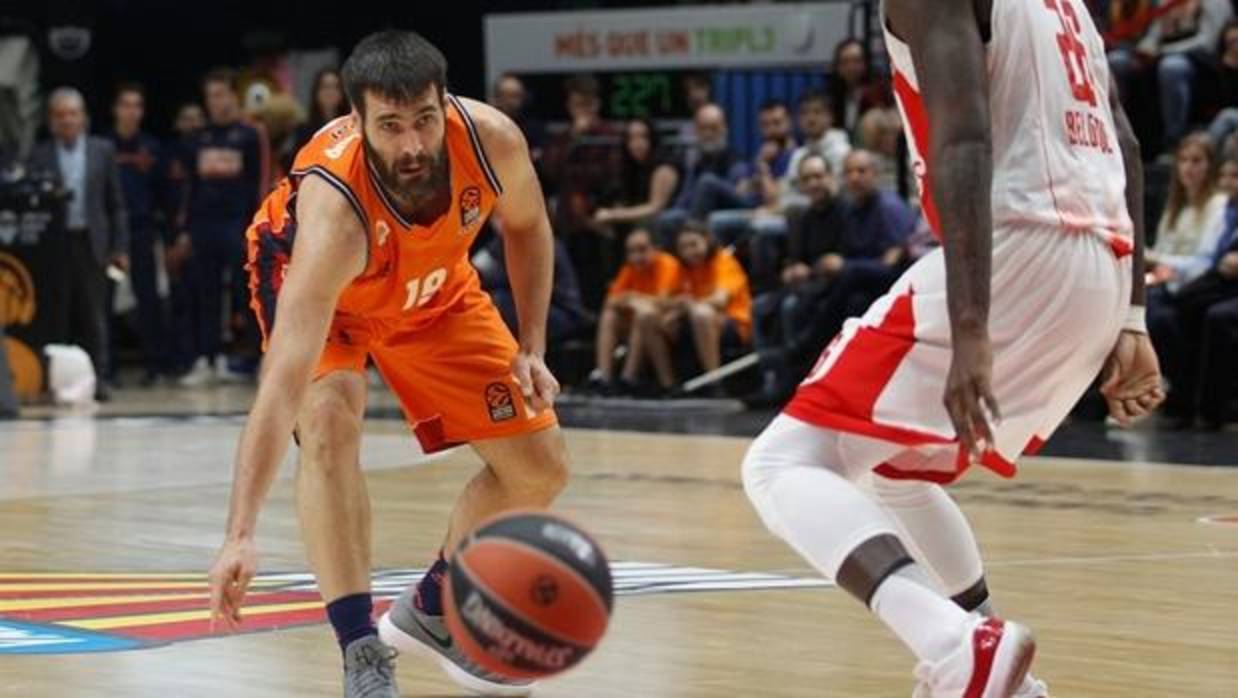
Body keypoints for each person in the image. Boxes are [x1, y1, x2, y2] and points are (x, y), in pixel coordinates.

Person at [742, 1, 1162, 696]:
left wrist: (972, 329)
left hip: (1017, 247)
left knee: (783, 462)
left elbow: (964, 139)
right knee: (901, 469)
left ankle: (954, 644)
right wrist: (1134, 312)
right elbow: (1129, 146)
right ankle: (997, 662)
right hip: (1103, 259)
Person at [207, 31, 566, 698]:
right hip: (332, 296)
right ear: (356, 120)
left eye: (425, 120)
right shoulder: (334, 220)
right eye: (391, 126)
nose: (411, 145)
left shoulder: (491, 142)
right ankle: (360, 649)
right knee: (328, 424)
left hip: (435, 287)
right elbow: (281, 386)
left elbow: (527, 225)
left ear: (446, 104)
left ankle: (433, 607)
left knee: (540, 468)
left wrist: (533, 344)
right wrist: (241, 533)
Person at [26, 87, 129, 402]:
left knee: (94, 316)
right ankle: (54, 381)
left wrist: (119, 248)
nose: (67, 120)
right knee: (54, 315)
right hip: (53, 246)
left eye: (73, 114)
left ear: (83, 117)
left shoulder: (102, 150)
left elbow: (115, 205)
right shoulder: (38, 153)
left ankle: (99, 379)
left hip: (91, 242)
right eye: (60, 115)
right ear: (51, 120)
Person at [174, 68, 264, 386]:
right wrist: (185, 228)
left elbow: (258, 183)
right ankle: (208, 358)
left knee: (246, 293)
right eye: (211, 96)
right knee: (206, 293)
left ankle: (254, 358)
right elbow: (190, 188)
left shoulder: (249, 136)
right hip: (204, 226)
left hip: (236, 224)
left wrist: (254, 225)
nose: (217, 102)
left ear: (232, 97)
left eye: (222, 94)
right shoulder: (196, 139)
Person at [1151, 155, 1238, 429]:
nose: (1227, 183)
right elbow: (1211, 255)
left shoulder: (1216, 207)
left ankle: (1212, 408)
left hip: (1224, 282)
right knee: (1176, 307)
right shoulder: (1226, 210)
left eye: (1233, 177)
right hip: (1218, 277)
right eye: (1224, 177)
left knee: (1212, 314)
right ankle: (1184, 399)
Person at [109, 82, 169, 386]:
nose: (131, 111)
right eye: (126, 104)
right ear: (116, 109)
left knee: (148, 301)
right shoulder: (105, 146)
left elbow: (164, 194)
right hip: (109, 237)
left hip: (143, 231)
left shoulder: (152, 148)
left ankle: (155, 365)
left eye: (137, 105)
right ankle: (109, 368)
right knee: (107, 302)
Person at [588, 227, 682, 396]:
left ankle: (630, 377)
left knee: (644, 313)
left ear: (656, 248)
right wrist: (634, 300)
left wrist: (632, 298)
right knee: (610, 314)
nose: (637, 256)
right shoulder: (630, 268)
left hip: (670, 325)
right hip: (640, 324)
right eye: (631, 251)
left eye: (642, 249)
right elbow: (612, 300)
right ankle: (604, 377)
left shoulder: (668, 264)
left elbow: (663, 303)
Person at [664, 222, 752, 393]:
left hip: (734, 324)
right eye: (684, 247)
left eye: (694, 244)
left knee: (701, 313)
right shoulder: (682, 268)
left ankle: (714, 382)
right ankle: (668, 383)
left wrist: (686, 306)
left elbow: (720, 301)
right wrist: (676, 309)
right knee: (658, 318)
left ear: (706, 240)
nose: (690, 251)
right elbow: (667, 300)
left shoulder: (724, 261)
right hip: (695, 320)